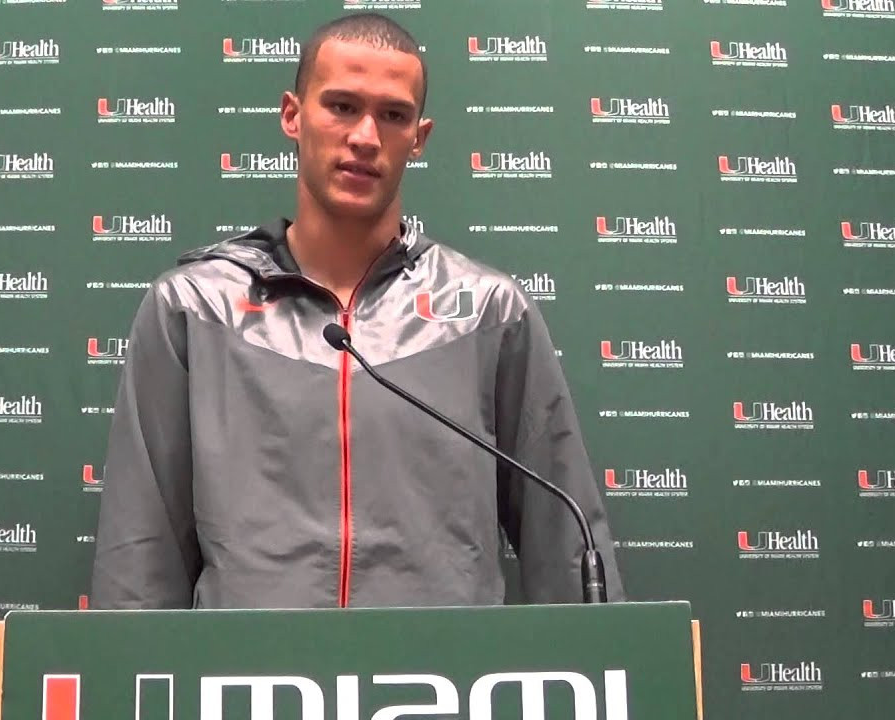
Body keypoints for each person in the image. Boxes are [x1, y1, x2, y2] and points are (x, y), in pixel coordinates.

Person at [90, 12, 624, 609]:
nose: (365, 136)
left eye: (392, 115)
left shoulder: (486, 313)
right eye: (341, 106)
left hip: (441, 688)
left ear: (418, 137)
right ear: (292, 115)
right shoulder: (192, 309)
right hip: (257, 687)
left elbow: (568, 553)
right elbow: (138, 561)